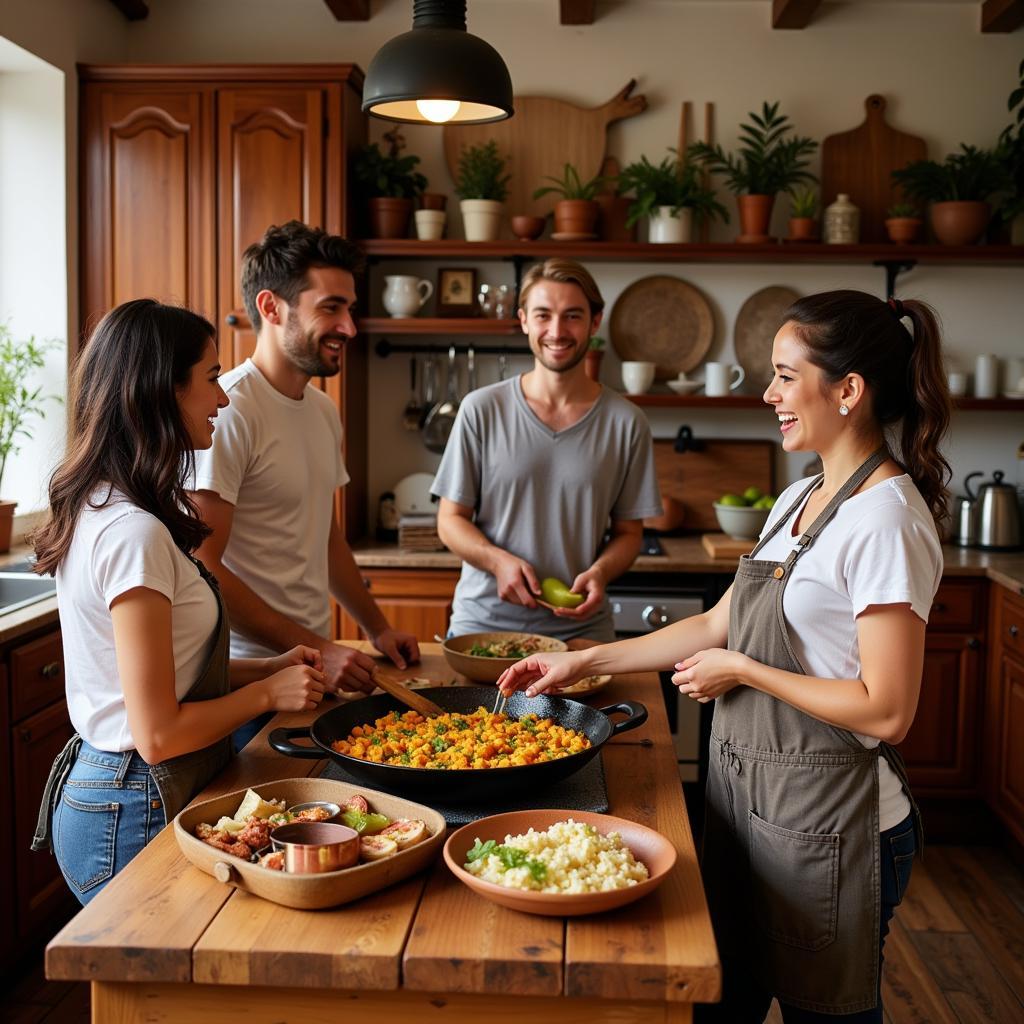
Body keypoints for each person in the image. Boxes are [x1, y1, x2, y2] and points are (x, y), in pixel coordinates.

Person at [498, 289, 951, 1022]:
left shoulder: (887, 521)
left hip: (830, 825)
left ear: (849, 390)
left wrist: (744, 670)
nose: (767, 393)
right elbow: (718, 623)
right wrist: (583, 662)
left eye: (782, 374)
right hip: (748, 809)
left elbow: (888, 710)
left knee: (824, 1013)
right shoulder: (797, 498)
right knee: (714, 1003)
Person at [31, 300, 327, 904]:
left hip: (132, 791)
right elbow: (158, 732)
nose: (222, 398)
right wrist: (268, 695)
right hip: (131, 804)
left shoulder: (114, 508)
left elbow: (161, 678)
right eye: (212, 377)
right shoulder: (130, 533)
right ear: (160, 391)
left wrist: (266, 668)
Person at [190, 222, 419, 717]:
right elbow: (201, 565)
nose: (350, 328)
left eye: (350, 309)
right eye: (330, 308)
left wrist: (376, 628)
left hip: (312, 672)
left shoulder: (321, 411)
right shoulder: (227, 411)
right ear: (272, 308)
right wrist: (319, 646)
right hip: (246, 683)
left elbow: (326, 537)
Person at [432, 258, 662, 642]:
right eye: (543, 315)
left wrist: (602, 572)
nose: (557, 331)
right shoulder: (481, 409)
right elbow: (450, 520)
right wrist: (497, 561)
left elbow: (628, 533)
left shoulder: (627, 421)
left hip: (582, 631)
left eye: (572, 316)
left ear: (594, 322)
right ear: (524, 320)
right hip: (484, 627)